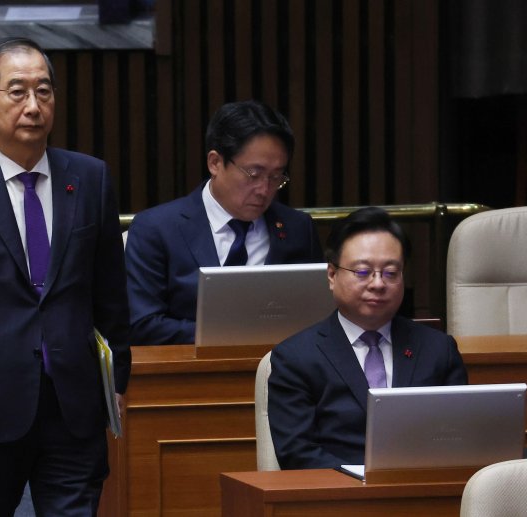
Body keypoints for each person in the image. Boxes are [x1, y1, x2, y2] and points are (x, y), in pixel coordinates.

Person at [0, 36, 130, 516]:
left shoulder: (90, 179)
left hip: (73, 400)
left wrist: (118, 378)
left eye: (45, 91)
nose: (34, 106)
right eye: (18, 92)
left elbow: (110, 289)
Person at [268, 206, 468, 469]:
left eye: (390, 273)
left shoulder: (438, 349)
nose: (377, 283)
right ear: (331, 275)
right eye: (362, 272)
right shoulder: (296, 358)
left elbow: (460, 435)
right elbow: (297, 453)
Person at [124, 100, 323, 345]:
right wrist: (234, 334)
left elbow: (318, 318)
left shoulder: (297, 228)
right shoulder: (156, 229)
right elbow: (142, 324)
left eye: (275, 177)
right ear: (215, 163)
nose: (264, 189)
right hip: (190, 375)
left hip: (282, 372)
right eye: (254, 174)